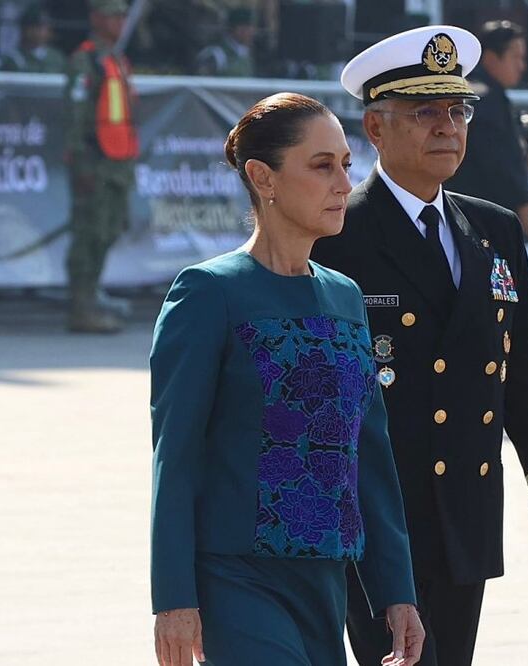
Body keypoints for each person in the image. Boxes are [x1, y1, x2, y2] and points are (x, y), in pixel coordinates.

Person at [312, 25, 528, 666]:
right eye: (424, 112)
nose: (447, 126)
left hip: (465, 519)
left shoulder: (492, 230)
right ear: (375, 130)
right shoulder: (335, 231)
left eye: (457, 109)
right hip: (374, 526)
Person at [150, 91, 425, 666]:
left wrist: (397, 590)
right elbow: (174, 458)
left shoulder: (346, 296)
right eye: (322, 166)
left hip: (327, 581)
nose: (344, 183)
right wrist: (173, 598)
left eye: (347, 165)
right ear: (262, 177)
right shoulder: (208, 292)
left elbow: (369, 457)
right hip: (235, 578)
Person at [63, 0, 138, 333]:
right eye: (112, 16)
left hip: (117, 162)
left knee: (107, 231)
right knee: (88, 234)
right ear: (95, 18)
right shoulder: (85, 60)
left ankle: (91, 298)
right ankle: (81, 307)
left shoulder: (117, 59)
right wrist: (81, 165)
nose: (119, 22)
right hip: (95, 161)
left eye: (122, 17)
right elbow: (76, 116)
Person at [446, 21, 528, 240]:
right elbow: (500, 165)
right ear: (491, 57)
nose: (522, 66)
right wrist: (523, 207)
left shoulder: (481, 93)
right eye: (516, 57)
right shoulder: (486, 99)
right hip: (481, 221)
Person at [1, 4, 67, 73]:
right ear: (25, 29)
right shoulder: (12, 59)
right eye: (38, 27)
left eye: (45, 27)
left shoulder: (56, 57)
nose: (42, 32)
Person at [195, 7, 256, 77]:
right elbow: (201, 83)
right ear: (236, 29)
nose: (252, 32)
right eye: (246, 28)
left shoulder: (246, 55)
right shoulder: (216, 54)